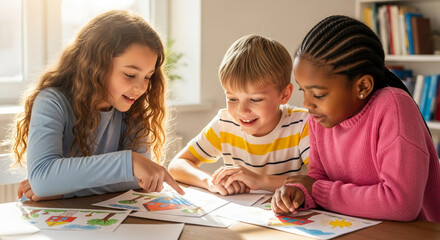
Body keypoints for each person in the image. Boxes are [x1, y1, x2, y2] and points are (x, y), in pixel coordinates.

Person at [271, 15, 440, 223]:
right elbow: (319, 177)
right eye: (303, 90)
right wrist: (298, 192)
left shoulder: (393, 108)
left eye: (319, 94)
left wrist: (318, 190)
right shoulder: (320, 118)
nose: (307, 103)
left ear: (362, 87)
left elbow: (401, 204)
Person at [11, 10, 184, 201]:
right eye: (129, 75)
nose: (142, 87)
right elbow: (43, 179)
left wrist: (64, 189)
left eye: (148, 77)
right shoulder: (52, 102)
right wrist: (129, 162)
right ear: (96, 65)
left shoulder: (134, 108)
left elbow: (139, 179)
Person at [168, 35, 310, 196]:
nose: (242, 111)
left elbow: (317, 182)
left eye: (255, 99)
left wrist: (259, 181)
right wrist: (210, 181)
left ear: (284, 94)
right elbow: (177, 165)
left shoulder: (301, 124)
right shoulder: (225, 123)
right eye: (232, 99)